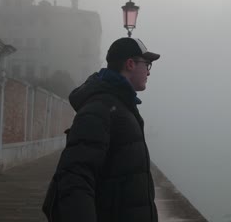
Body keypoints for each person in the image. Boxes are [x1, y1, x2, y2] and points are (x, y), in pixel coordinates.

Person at [43, 37, 160, 222]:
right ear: (130, 64)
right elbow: (75, 179)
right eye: (147, 64)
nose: (149, 72)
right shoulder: (101, 108)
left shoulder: (120, 106)